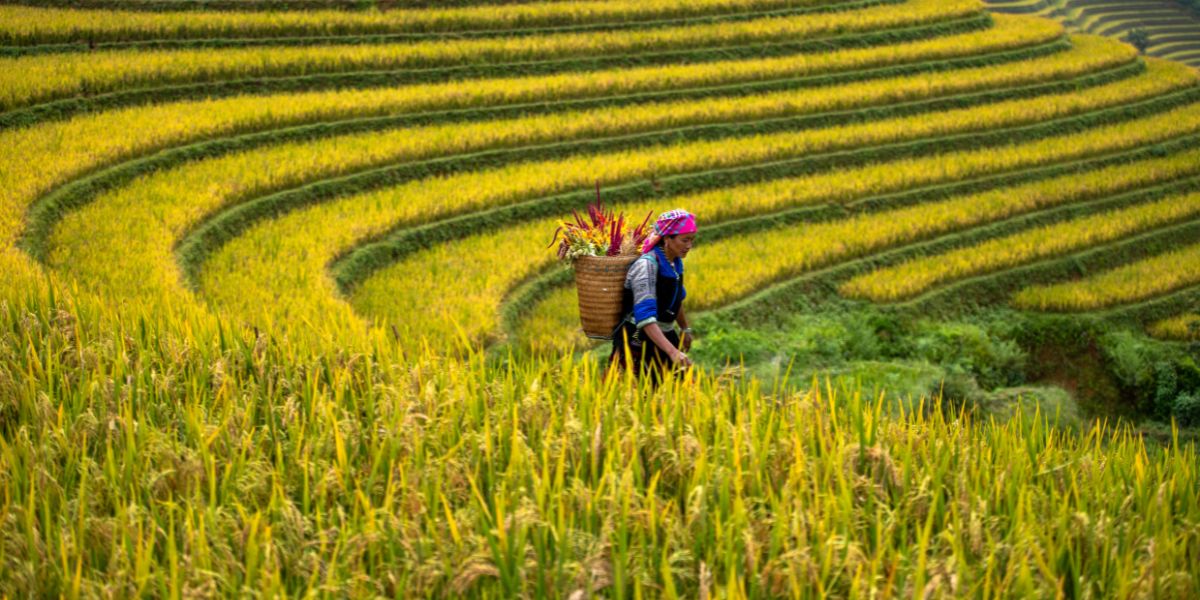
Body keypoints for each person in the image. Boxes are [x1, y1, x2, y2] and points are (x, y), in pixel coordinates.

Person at [610, 208, 697, 385]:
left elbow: (677, 298)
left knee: (680, 393)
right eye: (684, 240)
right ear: (667, 238)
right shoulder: (647, 266)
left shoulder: (675, 263)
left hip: (664, 334)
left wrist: (685, 329)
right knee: (642, 393)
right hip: (637, 337)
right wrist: (672, 352)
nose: (689, 246)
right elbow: (645, 318)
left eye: (692, 240)